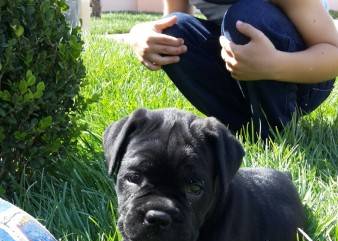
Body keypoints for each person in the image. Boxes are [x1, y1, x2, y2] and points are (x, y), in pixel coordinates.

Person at [128, 0, 338, 138]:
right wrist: (138, 34)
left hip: (304, 76)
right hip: (242, 69)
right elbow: (172, 20)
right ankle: (244, 128)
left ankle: (274, 132)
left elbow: (333, 53)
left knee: (245, 16)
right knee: (172, 32)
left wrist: (274, 65)